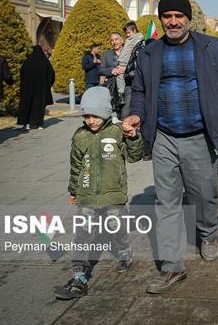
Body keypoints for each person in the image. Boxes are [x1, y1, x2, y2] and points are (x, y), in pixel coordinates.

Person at [122, 0, 218, 294]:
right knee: (166, 202)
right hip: (164, 137)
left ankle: (207, 233)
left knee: (204, 195)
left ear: (188, 18)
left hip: (200, 135)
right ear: (161, 19)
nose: (172, 21)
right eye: (166, 16)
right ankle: (171, 266)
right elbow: (139, 91)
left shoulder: (211, 47)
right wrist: (135, 116)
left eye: (178, 15)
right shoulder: (149, 53)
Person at [54, 86, 144, 300]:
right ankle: (79, 277)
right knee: (82, 235)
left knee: (116, 228)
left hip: (113, 195)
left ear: (105, 113)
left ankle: (123, 252)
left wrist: (132, 137)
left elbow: (135, 156)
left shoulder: (116, 131)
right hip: (86, 196)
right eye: (86, 116)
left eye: (95, 115)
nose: (90, 120)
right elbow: (75, 166)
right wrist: (73, 190)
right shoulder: (80, 137)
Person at [17, 46, 55, 130]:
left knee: (27, 105)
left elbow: (22, 73)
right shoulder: (45, 62)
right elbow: (51, 74)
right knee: (39, 106)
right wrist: (47, 85)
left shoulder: (28, 62)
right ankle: (38, 124)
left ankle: (26, 123)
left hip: (28, 89)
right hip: (41, 89)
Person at [99, 32, 124, 115]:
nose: (114, 42)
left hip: (126, 87)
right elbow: (101, 70)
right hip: (111, 88)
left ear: (122, 41)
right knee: (113, 113)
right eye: (112, 40)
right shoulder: (106, 54)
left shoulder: (128, 53)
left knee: (125, 112)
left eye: (116, 39)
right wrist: (111, 71)